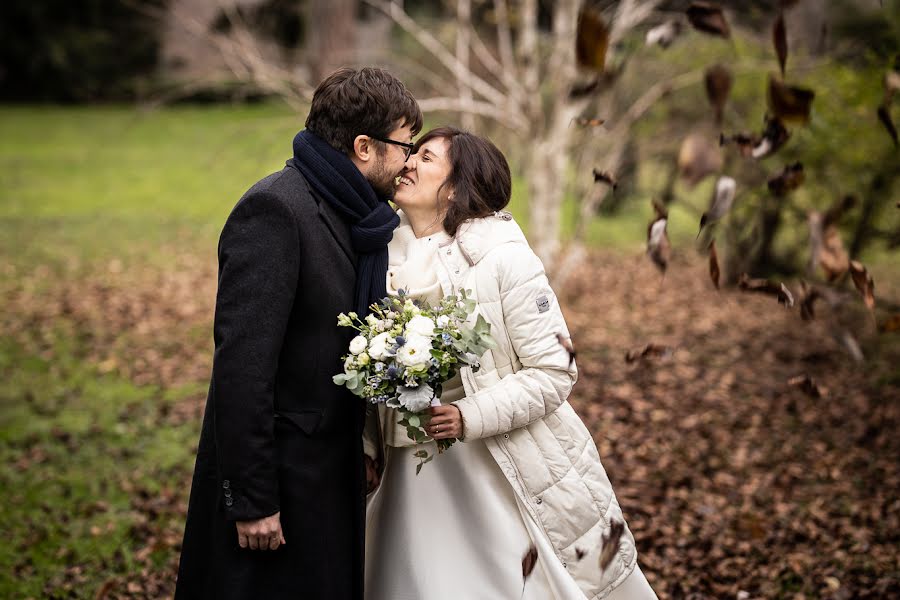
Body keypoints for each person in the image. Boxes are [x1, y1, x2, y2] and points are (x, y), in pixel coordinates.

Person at [363, 127, 658, 600]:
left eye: (426, 158)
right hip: (406, 469)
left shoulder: (504, 259)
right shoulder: (377, 256)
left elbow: (555, 370)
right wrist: (368, 444)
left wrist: (467, 416)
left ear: (456, 187)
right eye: (411, 154)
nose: (408, 163)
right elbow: (369, 368)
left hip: (494, 464)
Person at [175, 67, 422, 600]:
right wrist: (253, 499)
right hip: (279, 485)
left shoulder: (357, 219)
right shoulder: (275, 211)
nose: (408, 160)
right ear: (363, 146)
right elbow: (242, 368)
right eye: (406, 145)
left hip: (329, 474)